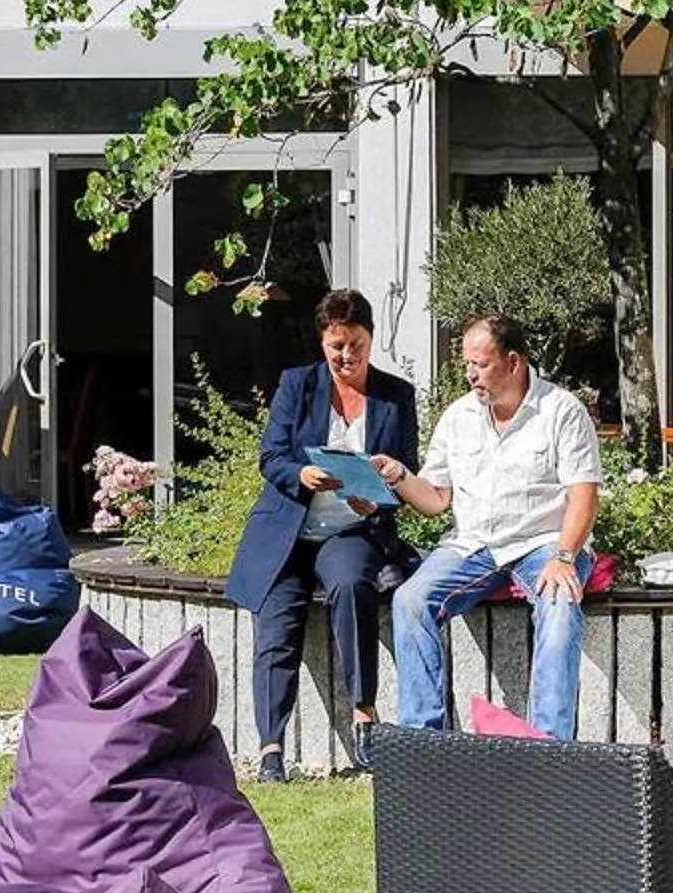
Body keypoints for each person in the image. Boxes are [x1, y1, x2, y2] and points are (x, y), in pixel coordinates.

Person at [222, 288, 422, 783]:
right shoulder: (297, 384)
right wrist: (301, 474)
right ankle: (271, 748)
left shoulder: (395, 396)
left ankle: (363, 712)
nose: (346, 355)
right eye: (336, 346)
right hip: (290, 526)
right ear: (322, 342)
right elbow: (271, 457)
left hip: (352, 526)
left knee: (352, 584)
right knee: (277, 617)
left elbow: (407, 469)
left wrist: (380, 496)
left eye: (356, 344)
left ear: (370, 338)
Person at [376, 313, 602, 742]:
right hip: (473, 544)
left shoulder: (561, 410)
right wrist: (399, 476)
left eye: (480, 364)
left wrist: (564, 557)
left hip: (544, 542)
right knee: (410, 599)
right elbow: (436, 499)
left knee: (559, 604)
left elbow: (584, 495)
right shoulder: (458, 416)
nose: (470, 374)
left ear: (513, 362)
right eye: (466, 364)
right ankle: (422, 741)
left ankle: (549, 748)